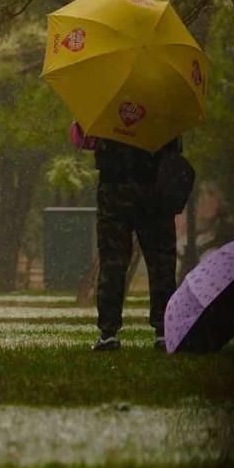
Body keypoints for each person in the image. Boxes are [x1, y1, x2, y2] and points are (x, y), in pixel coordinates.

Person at [71, 121, 180, 351]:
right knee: (161, 262)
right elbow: (175, 148)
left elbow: (82, 139)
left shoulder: (107, 104)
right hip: (154, 190)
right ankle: (164, 329)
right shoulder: (163, 107)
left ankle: (108, 331)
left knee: (113, 261)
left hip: (114, 189)